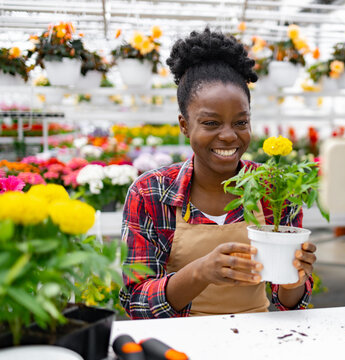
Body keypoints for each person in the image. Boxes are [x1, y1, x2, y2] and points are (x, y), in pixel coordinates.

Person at [120, 28, 317, 319]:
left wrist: (295, 278)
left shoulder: (274, 189)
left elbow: (289, 303)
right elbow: (135, 301)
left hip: (256, 333)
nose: (229, 136)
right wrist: (200, 272)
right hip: (178, 340)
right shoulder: (150, 193)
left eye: (241, 122)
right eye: (211, 123)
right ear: (184, 125)